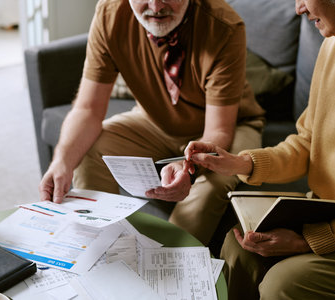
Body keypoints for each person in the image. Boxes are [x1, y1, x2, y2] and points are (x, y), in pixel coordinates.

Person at [184, 0, 335, 298]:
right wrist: (240, 163)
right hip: (333, 212)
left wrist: (309, 240)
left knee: (285, 282)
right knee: (238, 247)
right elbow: (308, 143)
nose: (298, 8)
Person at [38, 0, 265, 245]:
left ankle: (167, 259)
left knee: (214, 182)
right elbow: (87, 109)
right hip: (155, 118)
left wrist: (189, 167)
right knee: (88, 149)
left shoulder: (224, 26)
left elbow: (218, 129)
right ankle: (101, 245)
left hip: (229, 125)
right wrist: (62, 162)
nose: (156, 6)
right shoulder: (110, 14)